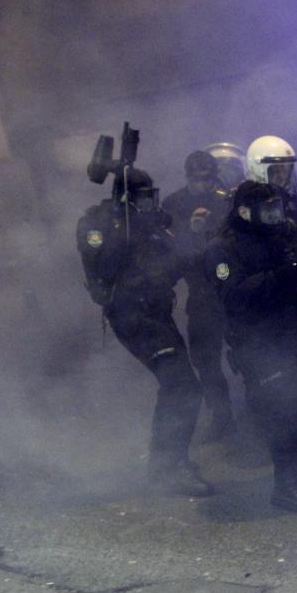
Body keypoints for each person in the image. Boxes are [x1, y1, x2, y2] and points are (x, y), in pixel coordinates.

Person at [76, 168, 213, 497]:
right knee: (180, 385)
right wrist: (125, 226)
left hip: (156, 313)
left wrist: (193, 235)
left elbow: (176, 265)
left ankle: (166, 462)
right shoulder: (105, 225)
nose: (152, 203)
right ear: (127, 199)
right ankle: (168, 468)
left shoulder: (154, 226)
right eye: (144, 197)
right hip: (132, 314)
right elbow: (102, 264)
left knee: (183, 386)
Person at [205, 177, 297, 513]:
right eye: (268, 210)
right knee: (280, 412)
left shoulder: (281, 236)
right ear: (246, 212)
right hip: (257, 344)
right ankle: (286, 488)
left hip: (291, 335)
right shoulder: (223, 248)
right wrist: (279, 276)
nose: (276, 215)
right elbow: (233, 297)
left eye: (278, 207)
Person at [162, 151, 235, 441]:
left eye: (207, 179)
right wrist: (191, 233)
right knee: (206, 361)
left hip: (230, 290)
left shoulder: (226, 200)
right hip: (203, 294)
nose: (202, 185)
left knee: (253, 355)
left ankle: (259, 412)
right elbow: (172, 252)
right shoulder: (174, 205)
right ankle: (222, 417)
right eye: (197, 179)